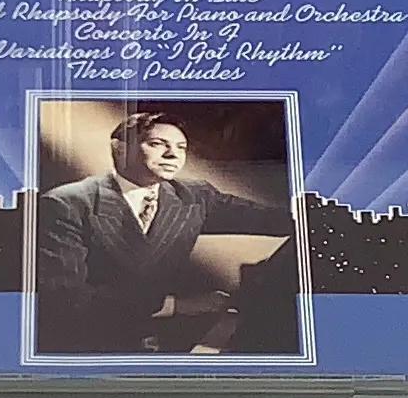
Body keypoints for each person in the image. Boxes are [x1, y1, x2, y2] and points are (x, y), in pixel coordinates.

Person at [31, 111, 296, 353]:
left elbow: (276, 221)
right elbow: (66, 299)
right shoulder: (66, 204)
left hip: (164, 340)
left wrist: (313, 211)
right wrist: (177, 305)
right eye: (158, 144)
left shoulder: (194, 196)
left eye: (181, 147)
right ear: (118, 148)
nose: (173, 155)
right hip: (88, 344)